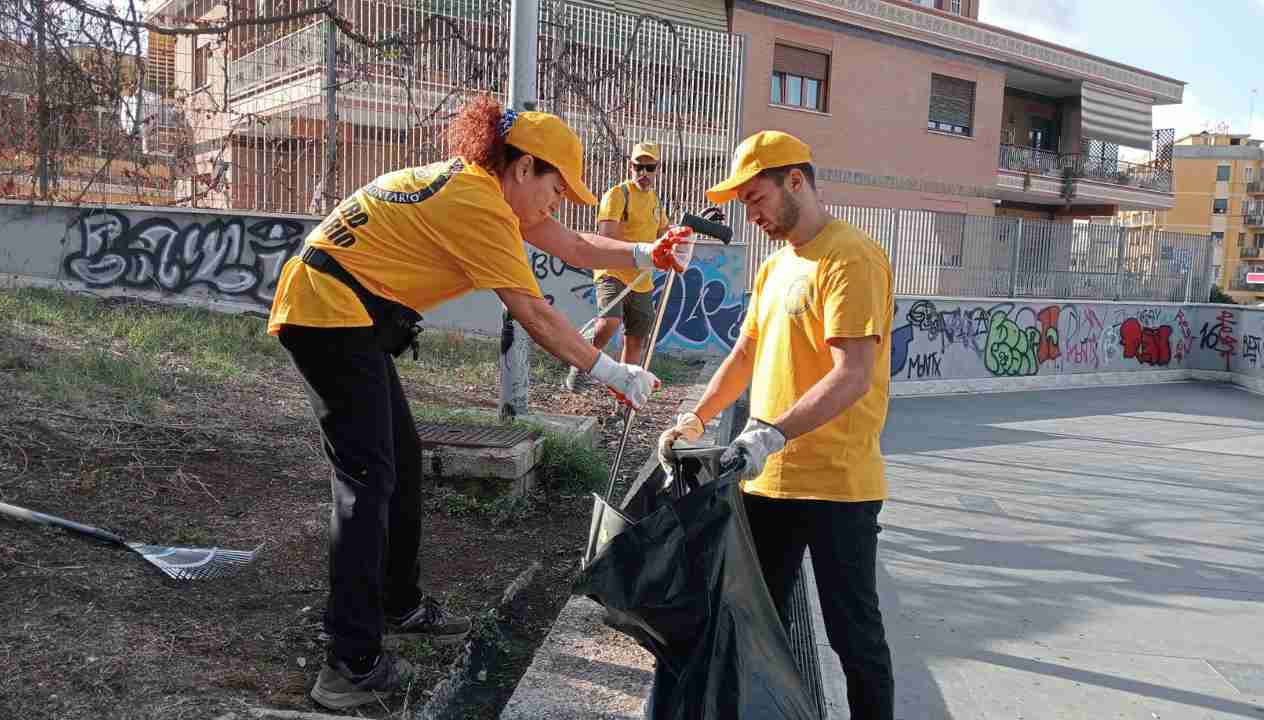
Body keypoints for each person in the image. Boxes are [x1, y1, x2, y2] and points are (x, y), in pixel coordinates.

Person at [268, 95, 690, 711]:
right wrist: (611, 372)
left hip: (345, 311)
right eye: (554, 186)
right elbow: (535, 314)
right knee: (366, 479)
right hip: (327, 313)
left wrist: (641, 254)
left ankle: (398, 603)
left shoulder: (483, 191)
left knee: (400, 464)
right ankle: (349, 664)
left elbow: (570, 245)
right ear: (523, 168)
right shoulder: (479, 206)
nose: (556, 202)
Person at [657, 130, 896, 719]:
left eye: (757, 198)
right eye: (745, 204)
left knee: (853, 637)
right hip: (766, 482)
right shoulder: (773, 267)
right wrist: (696, 417)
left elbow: (853, 374)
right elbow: (744, 356)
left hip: (837, 485)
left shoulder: (851, 258)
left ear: (796, 181)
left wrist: (770, 433)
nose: (752, 214)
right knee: (756, 626)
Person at [564, 141, 670, 392]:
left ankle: (623, 397)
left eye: (650, 167)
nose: (644, 173)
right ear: (630, 166)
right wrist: (642, 252)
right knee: (609, 323)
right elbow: (606, 237)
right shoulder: (618, 195)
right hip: (612, 271)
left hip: (642, 279)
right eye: (638, 167)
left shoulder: (655, 200)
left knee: (635, 339)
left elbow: (664, 232)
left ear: (658, 169)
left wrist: (680, 237)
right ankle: (580, 361)